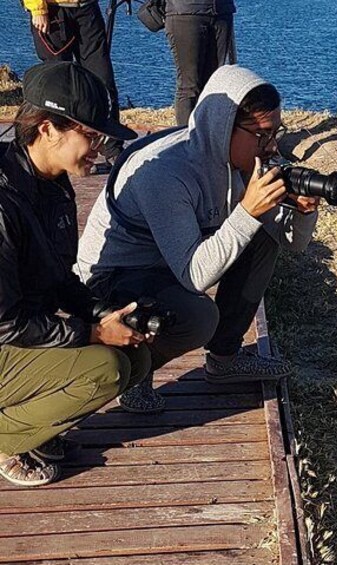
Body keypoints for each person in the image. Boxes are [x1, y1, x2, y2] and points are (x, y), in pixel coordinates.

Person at [76, 64, 319, 413]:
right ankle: (136, 371)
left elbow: (293, 243)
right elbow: (195, 276)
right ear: (223, 127)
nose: (271, 146)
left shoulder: (243, 161)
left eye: (276, 133)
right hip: (116, 275)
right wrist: (247, 212)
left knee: (263, 236)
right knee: (198, 317)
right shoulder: (165, 172)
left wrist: (303, 212)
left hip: (171, 262)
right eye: (262, 135)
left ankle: (225, 359)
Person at [0, 61, 151, 487]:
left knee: (134, 358)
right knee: (105, 368)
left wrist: (105, 314)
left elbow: (60, 278)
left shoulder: (53, 182)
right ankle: (9, 438)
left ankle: (35, 429)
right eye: (91, 135)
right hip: (6, 335)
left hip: (22, 334)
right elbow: (5, 324)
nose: (99, 148)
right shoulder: (3, 204)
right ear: (47, 129)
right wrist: (91, 335)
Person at [22, 0, 125, 158]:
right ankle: (58, 149)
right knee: (58, 88)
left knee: (103, 80)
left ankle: (112, 149)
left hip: (88, 10)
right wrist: (37, 8)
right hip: (53, 13)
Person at [165, 0, 237, 126]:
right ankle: (186, 138)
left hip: (222, 12)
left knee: (213, 83)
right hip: (186, 13)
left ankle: (208, 137)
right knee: (189, 86)